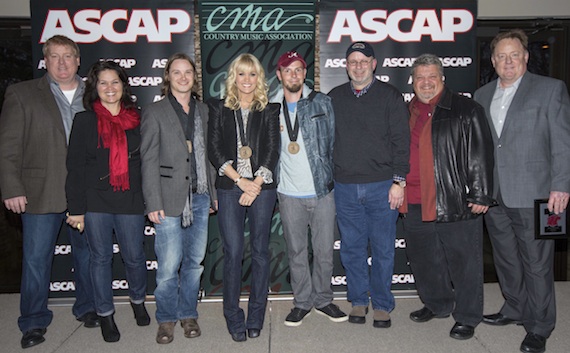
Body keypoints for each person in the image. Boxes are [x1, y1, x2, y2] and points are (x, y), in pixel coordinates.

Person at [474, 29, 570, 353]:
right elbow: (484, 147)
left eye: (514, 55)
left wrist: (561, 185)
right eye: (501, 56)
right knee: (505, 258)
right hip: (496, 195)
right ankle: (514, 307)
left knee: (537, 264)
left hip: (536, 192)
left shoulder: (550, 90)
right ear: (493, 61)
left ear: (526, 57)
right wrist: (479, 189)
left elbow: (562, 142)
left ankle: (540, 326)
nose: (508, 61)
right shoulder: (482, 95)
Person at [0, 35, 98, 349]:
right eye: (54, 56)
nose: (61, 63)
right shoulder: (22, 94)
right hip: (40, 192)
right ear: (45, 60)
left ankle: (87, 307)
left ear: (78, 60)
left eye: (68, 56)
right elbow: (8, 148)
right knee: (35, 261)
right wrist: (12, 187)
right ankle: (32, 321)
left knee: (87, 257)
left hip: (85, 194)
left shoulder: (96, 94)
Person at [401, 54, 495, 340]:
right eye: (420, 78)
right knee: (424, 260)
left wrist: (480, 192)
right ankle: (437, 303)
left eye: (432, 77)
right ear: (413, 81)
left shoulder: (466, 109)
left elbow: (481, 153)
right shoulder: (407, 111)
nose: (426, 83)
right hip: (414, 200)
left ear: (442, 79)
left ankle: (467, 315)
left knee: (463, 262)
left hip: (453, 197)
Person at [65, 61, 150, 342]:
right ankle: (105, 315)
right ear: (94, 87)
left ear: (124, 86)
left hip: (131, 200)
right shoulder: (85, 120)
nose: (109, 88)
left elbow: (147, 163)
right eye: (103, 82)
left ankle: (138, 301)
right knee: (100, 259)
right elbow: (75, 167)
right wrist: (76, 209)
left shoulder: (138, 118)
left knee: (135, 258)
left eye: (115, 82)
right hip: (95, 201)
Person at [328, 42, 409, 328]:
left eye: (364, 60)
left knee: (384, 248)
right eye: (353, 61)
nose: (358, 65)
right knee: (352, 248)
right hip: (346, 186)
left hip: (382, 186)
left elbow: (402, 142)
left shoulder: (390, 96)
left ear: (374, 64)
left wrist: (399, 181)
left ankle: (383, 305)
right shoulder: (334, 97)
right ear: (346, 66)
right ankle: (359, 301)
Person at [141, 53, 216, 344]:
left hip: (199, 197)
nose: (183, 77)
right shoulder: (154, 111)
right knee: (169, 265)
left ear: (194, 77)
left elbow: (209, 156)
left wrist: (211, 194)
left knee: (194, 263)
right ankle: (166, 319)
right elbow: (147, 159)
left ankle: (188, 314)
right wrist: (152, 201)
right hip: (168, 200)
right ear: (168, 77)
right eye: (176, 72)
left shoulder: (204, 111)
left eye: (188, 72)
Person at [269, 51, 346, 326]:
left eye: (298, 70)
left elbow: (336, 143)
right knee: (297, 252)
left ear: (304, 73)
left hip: (322, 191)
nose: (293, 75)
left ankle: (324, 299)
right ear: (279, 75)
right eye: (287, 70)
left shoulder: (322, 102)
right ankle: (302, 302)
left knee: (324, 250)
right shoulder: (270, 107)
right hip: (288, 194)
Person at [207, 53, 280, 342]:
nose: (246, 80)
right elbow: (213, 149)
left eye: (252, 74)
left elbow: (273, 150)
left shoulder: (270, 110)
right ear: (233, 77)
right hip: (229, 185)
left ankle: (256, 316)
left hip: (262, 188)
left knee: (261, 252)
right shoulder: (218, 108)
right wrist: (241, 181)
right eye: (241, 74)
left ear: (259, 78)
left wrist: (256, 184)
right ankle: (233, 316)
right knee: (233, 252)